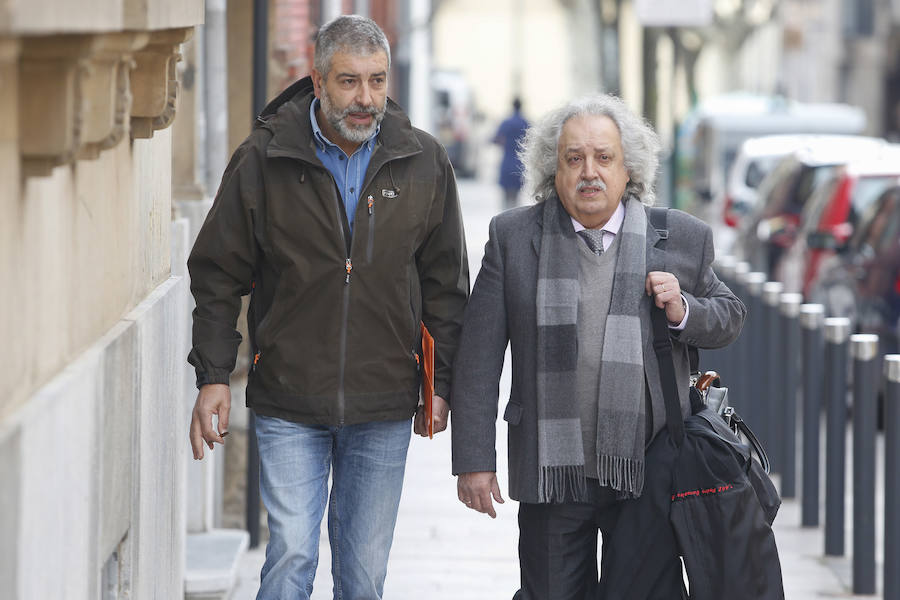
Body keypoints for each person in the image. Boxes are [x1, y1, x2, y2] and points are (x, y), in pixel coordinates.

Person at [186, 15, 469, 600]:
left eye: (376, 80)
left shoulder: (424, 161)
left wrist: (440, 383)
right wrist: (214, 375)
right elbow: (217, 271)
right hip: (289, 397)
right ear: (317, 82)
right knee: (290, 555)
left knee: (363, 577)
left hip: (384, 401)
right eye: (349, 81)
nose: (366, 98)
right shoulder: (264, 157)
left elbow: (446, 285)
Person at [450, 93, 746, 598]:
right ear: (554, 170)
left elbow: (730, 317)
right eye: (574, 158)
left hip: (648, 468)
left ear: (628, 169)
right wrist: (474, 460)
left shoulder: (678, 237)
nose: (590, 172)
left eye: (604, 157)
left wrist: (683, 310)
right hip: (550, 471)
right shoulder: (513, 238)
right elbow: (478, 359)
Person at [493, 97, 529, 210]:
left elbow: (496, 139)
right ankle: (514, 217)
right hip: (519, 163)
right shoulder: (525, 122)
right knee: (516, 198)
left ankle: (504, 218)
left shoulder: (506, 123)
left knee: (505, 197)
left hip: (507, 161)